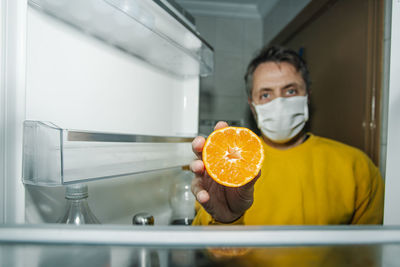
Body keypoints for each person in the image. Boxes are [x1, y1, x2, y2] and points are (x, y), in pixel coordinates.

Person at [190, 46, 384, 227]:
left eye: (290, 91)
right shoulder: (228, 167)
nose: (280, 102)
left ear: (307, 96)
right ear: (252, 106)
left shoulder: (356, 166)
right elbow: (205, 251)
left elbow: (374, 253)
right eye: (266, 95)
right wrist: (225, 220)